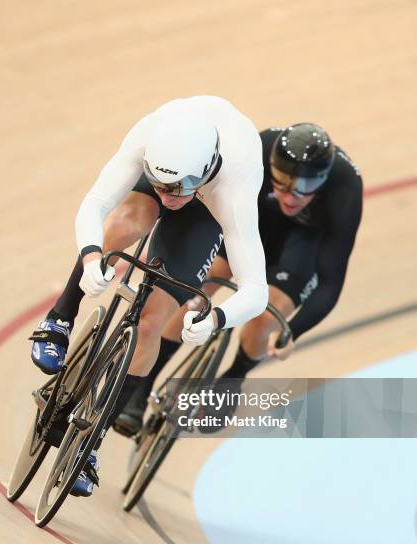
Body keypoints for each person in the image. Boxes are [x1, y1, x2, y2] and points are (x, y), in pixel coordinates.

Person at [30, 96, 268, 496]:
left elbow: (255, 290)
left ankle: (92, 441)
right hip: (176, 168)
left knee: (150, 323)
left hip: (205, 211)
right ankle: (60, 317)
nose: (168, 196)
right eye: (160, 185)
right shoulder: (148, 139)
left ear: (208, 170)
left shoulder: (236, 185)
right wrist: (92, 259)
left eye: (179, 188)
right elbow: (94, 204)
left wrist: (215, 320)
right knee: (126, 222)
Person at [129, 122, 363, 432]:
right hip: (253, 227)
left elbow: (331, 283)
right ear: (271, 167)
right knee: (195, 295)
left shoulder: (345, 189)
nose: (291, 197)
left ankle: (232, 380)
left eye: (304, 189)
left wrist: (293, 330)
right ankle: (140, 390)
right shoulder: (258, 148)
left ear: (322, 181)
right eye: (281, 183)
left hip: (302, 246)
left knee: (265, 320)